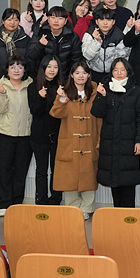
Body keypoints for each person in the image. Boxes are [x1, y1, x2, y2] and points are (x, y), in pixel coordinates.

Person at [91, 58, 140, 208]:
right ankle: (117, 218)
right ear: (111, 72)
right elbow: (97, 113)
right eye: (116, 70)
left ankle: (128, 217)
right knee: (114, 183)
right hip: (110, 144)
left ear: (128, 71)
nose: (119, 73)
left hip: (129, 144)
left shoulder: (136, 91)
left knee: (128, 183)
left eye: (122, 69)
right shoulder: (106, 89)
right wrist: (100, 96)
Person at [50, 61, 101, 218]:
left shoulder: (95, 93)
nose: (81, 76)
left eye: (84, 73)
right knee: (69, 177)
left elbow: (100, 118)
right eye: (77, 72)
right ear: (72, 75)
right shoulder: (65, 93)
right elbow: (55, 113)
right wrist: (62, 99)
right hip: (70, 141)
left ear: (88, 75)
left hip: (89, 141)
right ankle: (73, 208)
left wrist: (99, 138)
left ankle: (86, 208)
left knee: (89, 176)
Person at [0, 56, 33, 217]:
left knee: (21, 171)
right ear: (7, 69)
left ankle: (16, 203)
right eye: (13, 67)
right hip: (5, 134)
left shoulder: (31, 86)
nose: (16, 70)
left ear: (24, 70)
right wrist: (2, 95)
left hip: (25, 135)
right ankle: (3, 204)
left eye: (20, 67)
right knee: (4, 170)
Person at [28, 56, 64, 205]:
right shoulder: (33, 87)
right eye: (49, 66)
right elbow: (35, 111)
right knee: (41, 170)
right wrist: (40, 97)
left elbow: (61, 112)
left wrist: (61, 97)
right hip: (39, 134)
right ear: (43, 68)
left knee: (57, 169)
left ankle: (56, 199)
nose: (52, 70)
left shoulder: (62, 86)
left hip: (58, 135)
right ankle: (41, 200)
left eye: (55, 67)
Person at [26, 6, 83, 79]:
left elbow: (76, 60)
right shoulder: (40, 32)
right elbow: (31, 55)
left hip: (64, 77)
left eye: (60, 18)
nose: (56, 21)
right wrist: (40, 45)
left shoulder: (72, 36)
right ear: (48, 19)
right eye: (53, 18)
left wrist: (69, 78)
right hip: (42, 77)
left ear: (65, 21)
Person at [0, 7, 30, 88]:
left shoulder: (25, 39)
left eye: (16, 20)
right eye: (9, 20)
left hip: (20, 81)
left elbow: (29, 61)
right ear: (3, 21)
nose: (12, 23)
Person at [81, 8, 131, 84]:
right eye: (101, 19)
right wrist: (97, 42)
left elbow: (123, 58)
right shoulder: (89, 34)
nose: (105, 23)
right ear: (97, 21)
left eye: (108, 19)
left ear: (113, 22)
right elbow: (87, 56)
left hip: (113, 74)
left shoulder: (119, 35)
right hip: (93, 73)